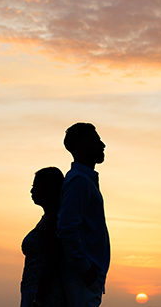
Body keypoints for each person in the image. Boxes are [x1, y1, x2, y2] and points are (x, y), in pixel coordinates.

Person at [57, 123, 110, 307]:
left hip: (85, 278)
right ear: (79, 145)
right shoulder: (79, 180)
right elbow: (66, 227)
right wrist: (85, 270)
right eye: (95, 140)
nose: (102, 145)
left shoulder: (83, 180)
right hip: (81, 279)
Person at [21, 167, 66, 307]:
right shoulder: (47, 220)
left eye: (36, 186)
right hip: (35, 292)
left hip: (44, 295)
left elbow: (50, 263)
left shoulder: (52, 222)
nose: (32, 191)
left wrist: (39, 300)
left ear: (49, 188)